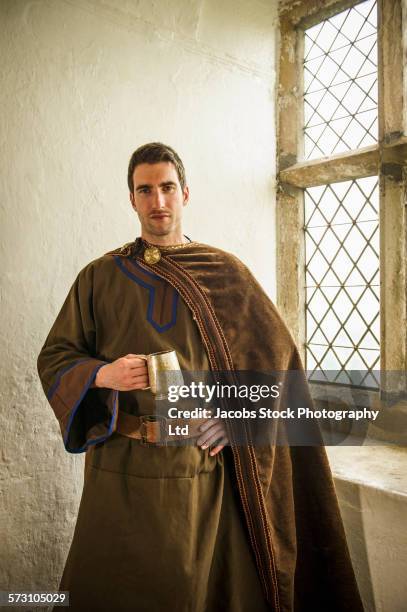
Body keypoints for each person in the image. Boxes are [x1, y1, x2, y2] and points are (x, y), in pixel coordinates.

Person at [37, 142, 364, 612]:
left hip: (198, 473)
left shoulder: (226, 275)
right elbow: (55, 356)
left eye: (167, 188)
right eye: (145, 190)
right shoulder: (98, 278)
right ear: (132, 199)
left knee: (196, 594)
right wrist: (102, 374)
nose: (158, 201)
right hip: (119, 471)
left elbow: (276, 365)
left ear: (185, 194)